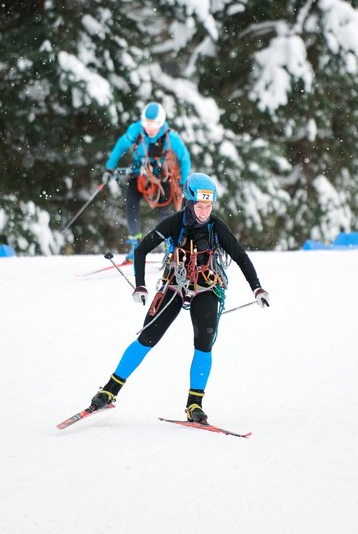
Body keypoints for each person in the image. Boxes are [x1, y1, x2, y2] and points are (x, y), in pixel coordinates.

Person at [86, 172, 269, 424]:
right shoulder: (175, 222)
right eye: (199, 206)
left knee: (204, 343)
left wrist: (257, 288)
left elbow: (240, 256)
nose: (204, 212)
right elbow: (141, 249)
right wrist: (140, 285)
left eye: (209, 206)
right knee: (147, 337)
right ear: (189, 202)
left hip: (206, 287)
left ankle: (195, 405)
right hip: (175, 284)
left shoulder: (216, 226)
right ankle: (109, 391)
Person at [103, 101, 191, 259]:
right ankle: (135, 244)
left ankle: (168, 246)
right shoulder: (136, 131)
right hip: (140, 175)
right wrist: (110, 168)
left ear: (161, 123)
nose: (150, 128)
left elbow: (185, 159)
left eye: (153, 124)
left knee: (165, 210)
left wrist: (183, 182)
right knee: (131, 203)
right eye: (147, 124)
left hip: (162, 177)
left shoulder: (171, 138)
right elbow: (120, 146)